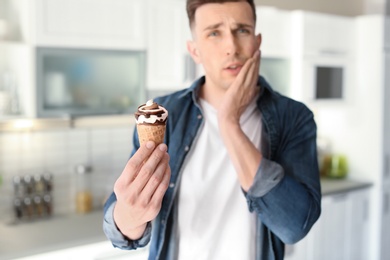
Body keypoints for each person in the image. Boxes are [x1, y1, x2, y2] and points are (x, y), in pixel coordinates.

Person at [103, 0, 321, 259]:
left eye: (242, 30)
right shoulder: (163, 114)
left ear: (257, 41)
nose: (231, 47)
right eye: (214, 33)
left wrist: (229, 123)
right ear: (194, 50)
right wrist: (129, 216)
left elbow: (295, 225)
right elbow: (121, 227)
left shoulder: (293, 117)